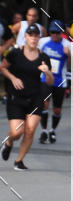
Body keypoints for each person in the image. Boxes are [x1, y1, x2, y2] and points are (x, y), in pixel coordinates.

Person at [1, 24, 53, 169]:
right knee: (17, 132)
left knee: (30, 131)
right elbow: (3, 67)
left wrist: (47, 72)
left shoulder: (44, 57)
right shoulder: (15, 53)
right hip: (16, 98)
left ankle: (19, 161)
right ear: (25, 37)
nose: (33, 38)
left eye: (36, 36)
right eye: (31, 35)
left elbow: (50, 81)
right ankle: (9, 142)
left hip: (35, 97)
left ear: (39, 38)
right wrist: (13, 78)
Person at [38, 20, 71, 144]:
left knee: (57, 109)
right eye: (52, 32)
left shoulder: (67, 44)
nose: (54, 35)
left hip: (60, 81)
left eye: (57, 33)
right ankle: (44, 131)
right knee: (44, 105)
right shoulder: (43, 42)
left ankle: (52, 130)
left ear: (61, 33)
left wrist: (68, 56)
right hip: (45, 78)